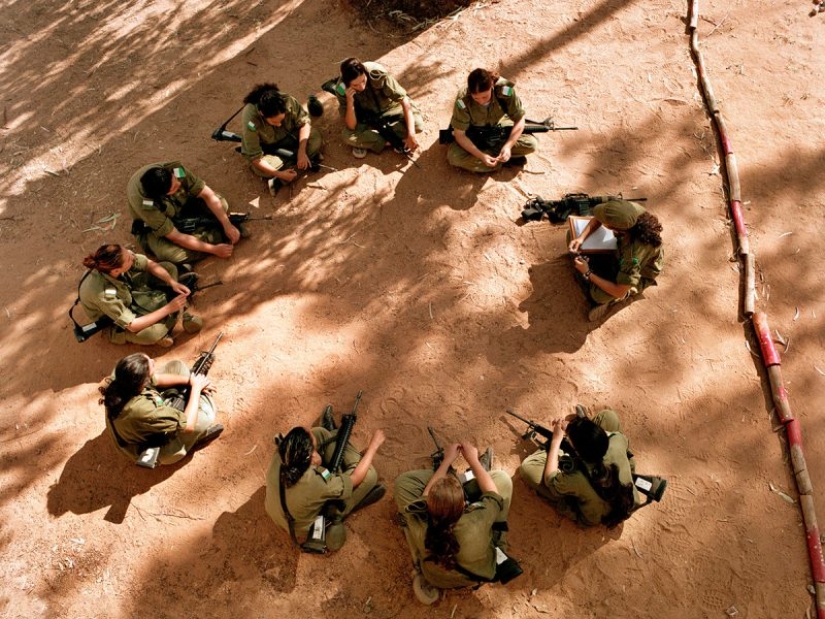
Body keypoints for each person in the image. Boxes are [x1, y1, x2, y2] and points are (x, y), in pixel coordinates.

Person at [394, 441, 516, 605]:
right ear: (464, 506)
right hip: (476, 574)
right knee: (502, 479)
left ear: (428, 506)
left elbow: (424, 496)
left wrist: (446, 461)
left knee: (403, 483)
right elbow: (492, 494)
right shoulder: (476, 520)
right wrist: (473, 461)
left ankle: (460, 478)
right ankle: (468, 477)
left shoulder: (420, 520)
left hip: (435, 578)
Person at [264, 409, 386, 552]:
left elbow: (310, 441)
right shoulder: (316, 484)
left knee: (320, 433)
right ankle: (341, 446)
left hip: (278, 510)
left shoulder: (282, 452)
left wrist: (315, 460)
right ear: (308, 460)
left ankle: (336, 438)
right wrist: (373, 446)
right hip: (302, 525)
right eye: (313, 451)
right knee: (369, 474)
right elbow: (355, 479)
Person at [518, 408, 642, 528]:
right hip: (630, 502)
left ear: (578, 453)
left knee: (528, 467)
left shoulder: (576, 476)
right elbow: (624, 450)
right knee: (609, 416)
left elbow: (551, 480)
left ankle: (559, 450)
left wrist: (556, 441)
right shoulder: (617, 440)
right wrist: (576, 429)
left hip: (596, 516)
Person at [100, 353, 223, 466]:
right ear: (142, 382)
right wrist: (196, 388)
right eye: (150, 364)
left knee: (177, 366)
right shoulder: (144, 410)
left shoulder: (122, 374)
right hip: (148, 445)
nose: (153, 361)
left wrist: (190, 380)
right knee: (205, 416)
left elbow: (156, 379)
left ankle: (181, 396)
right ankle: (191, 440)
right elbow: (188, 425)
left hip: (139, 422)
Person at [79, 244, 202, 347]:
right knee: (152, 334)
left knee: (168, 268)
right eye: (128, 259)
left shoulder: (119, 258)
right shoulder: (103, 294)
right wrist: (169, 308)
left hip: (127, 289)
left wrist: (172, 283)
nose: (132, 256)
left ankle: (168, 314)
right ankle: (163, 323)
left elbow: (148, 264)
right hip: (112, 318)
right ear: (116, 270)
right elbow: (132, 325)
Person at [127, 161, 242, 266]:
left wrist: (227, 225)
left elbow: (207, 195)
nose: (179, 181)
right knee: (169, 254)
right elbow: (176, 237)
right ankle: (215, 237)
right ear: (163, 195)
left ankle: (212, 234)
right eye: (175, 187)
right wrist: (214, 250)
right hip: (156, 226)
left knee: (221, 204)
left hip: (184, 205)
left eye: (176, 180)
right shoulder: (147, 204)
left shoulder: (175, 171)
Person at [568, 199, 664, 321]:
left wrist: (588, 273)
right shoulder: (628, 212)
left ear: (617, 229)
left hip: (640, 271)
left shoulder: (632, 256)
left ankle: (628, 293)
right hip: (620, 247)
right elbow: (598, 218)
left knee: (598, 295)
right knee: (572, 235)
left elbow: (619, 291)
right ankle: (597, 271)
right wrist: (581, 238)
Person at [329, 57, 423, 160]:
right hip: (367, 119)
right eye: (355, 85)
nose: (361, 87)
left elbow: (404, 101)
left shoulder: (376, 73)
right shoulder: (341, 89)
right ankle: (392, 140)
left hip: (392, 109)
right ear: (347, 83)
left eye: (363, 81)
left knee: (417, 124)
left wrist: (411, 134)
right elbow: (351, 126)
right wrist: (350, 101)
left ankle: (373, 140)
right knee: (347, 136)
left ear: (365, 72)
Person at [447, 68, 538, 173]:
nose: (481, 101)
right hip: (474, 133)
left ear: (491, 86)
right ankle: (501, 160)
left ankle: (497, 158)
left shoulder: (505, 91)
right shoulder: (462, 100)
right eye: (476, 98)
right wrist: (481, 156)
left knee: (531, 144)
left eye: (485, 97)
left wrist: (508, 146)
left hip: (499, 126)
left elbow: (520, 119)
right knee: (454, 157)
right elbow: (460, 135)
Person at [240, 83, 324, 195]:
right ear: (262, 114)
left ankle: (287, 174)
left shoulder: (287, 101)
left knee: (315, 137)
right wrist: (279, 174)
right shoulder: (251, 120)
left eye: (281, 120)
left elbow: (304, 124)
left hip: (291, 136)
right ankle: (307, 161)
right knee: (262, 169)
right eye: (274, 122)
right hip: (268, 149)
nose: (279, 124)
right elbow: (254, 157)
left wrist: (302, 151)